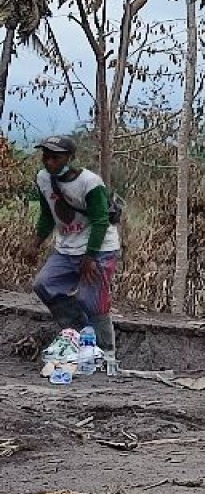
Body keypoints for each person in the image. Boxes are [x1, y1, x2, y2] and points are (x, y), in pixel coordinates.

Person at [23, 135, 121, 368]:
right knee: (44, 284)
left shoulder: (90, 183)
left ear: (70, 158)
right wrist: (35, 243)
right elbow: (48, 214)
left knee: (91, 299)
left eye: (55, 157)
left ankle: (106, 353)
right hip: (67, 247)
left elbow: (100, 221)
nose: (49, 162)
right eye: (45, 157)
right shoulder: (43, 179)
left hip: (99, 248)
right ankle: (79, 332)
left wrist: (90, 258)